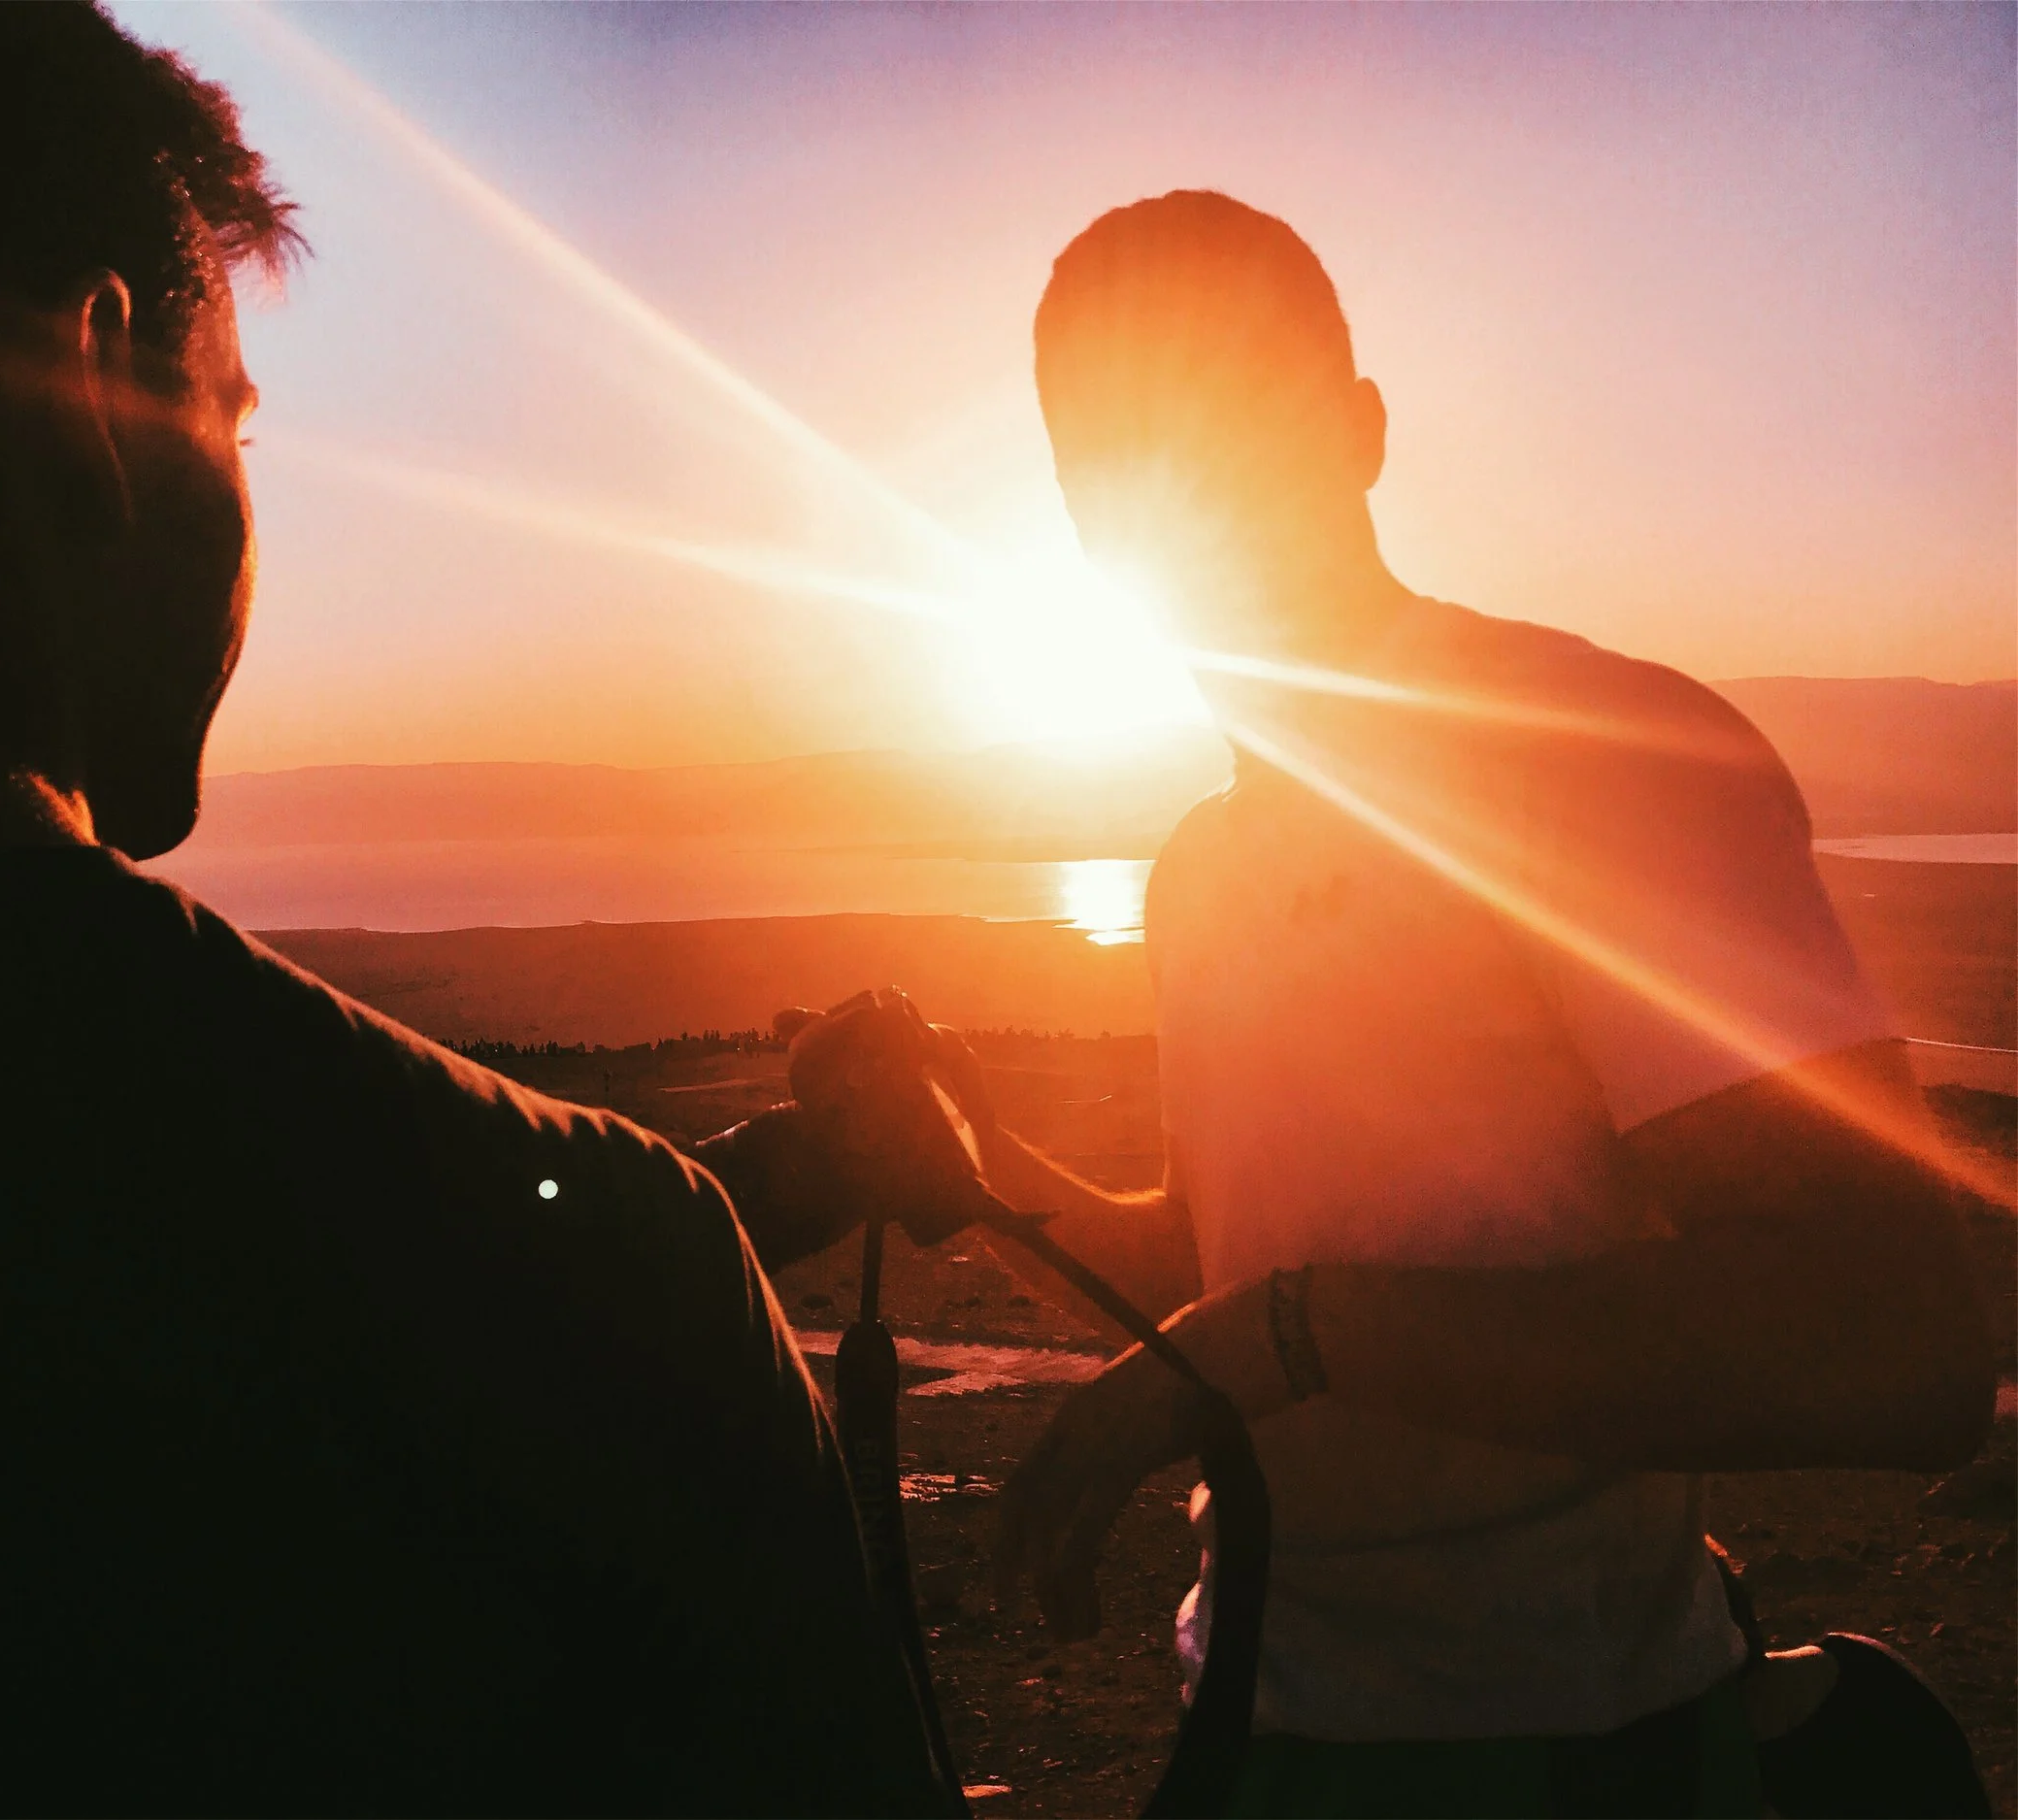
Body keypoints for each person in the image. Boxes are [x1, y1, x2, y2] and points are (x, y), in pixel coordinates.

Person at [0, 9, 953, 1813]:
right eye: (232, 417)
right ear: (88, 392)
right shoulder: (609, 1294)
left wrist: (781, 1172)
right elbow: (313, 1206)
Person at [851, 192, 1997, 1813]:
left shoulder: (1597, 762)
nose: (1172, 492)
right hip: (1259, 1715)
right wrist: (976, 1171)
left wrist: (1304, 1334)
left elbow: (1894, 1337)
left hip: (1578, 1745)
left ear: (1363, 431)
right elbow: (1223, 1261)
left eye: (1229, 416)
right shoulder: (1205, 867)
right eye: (1111, 456)